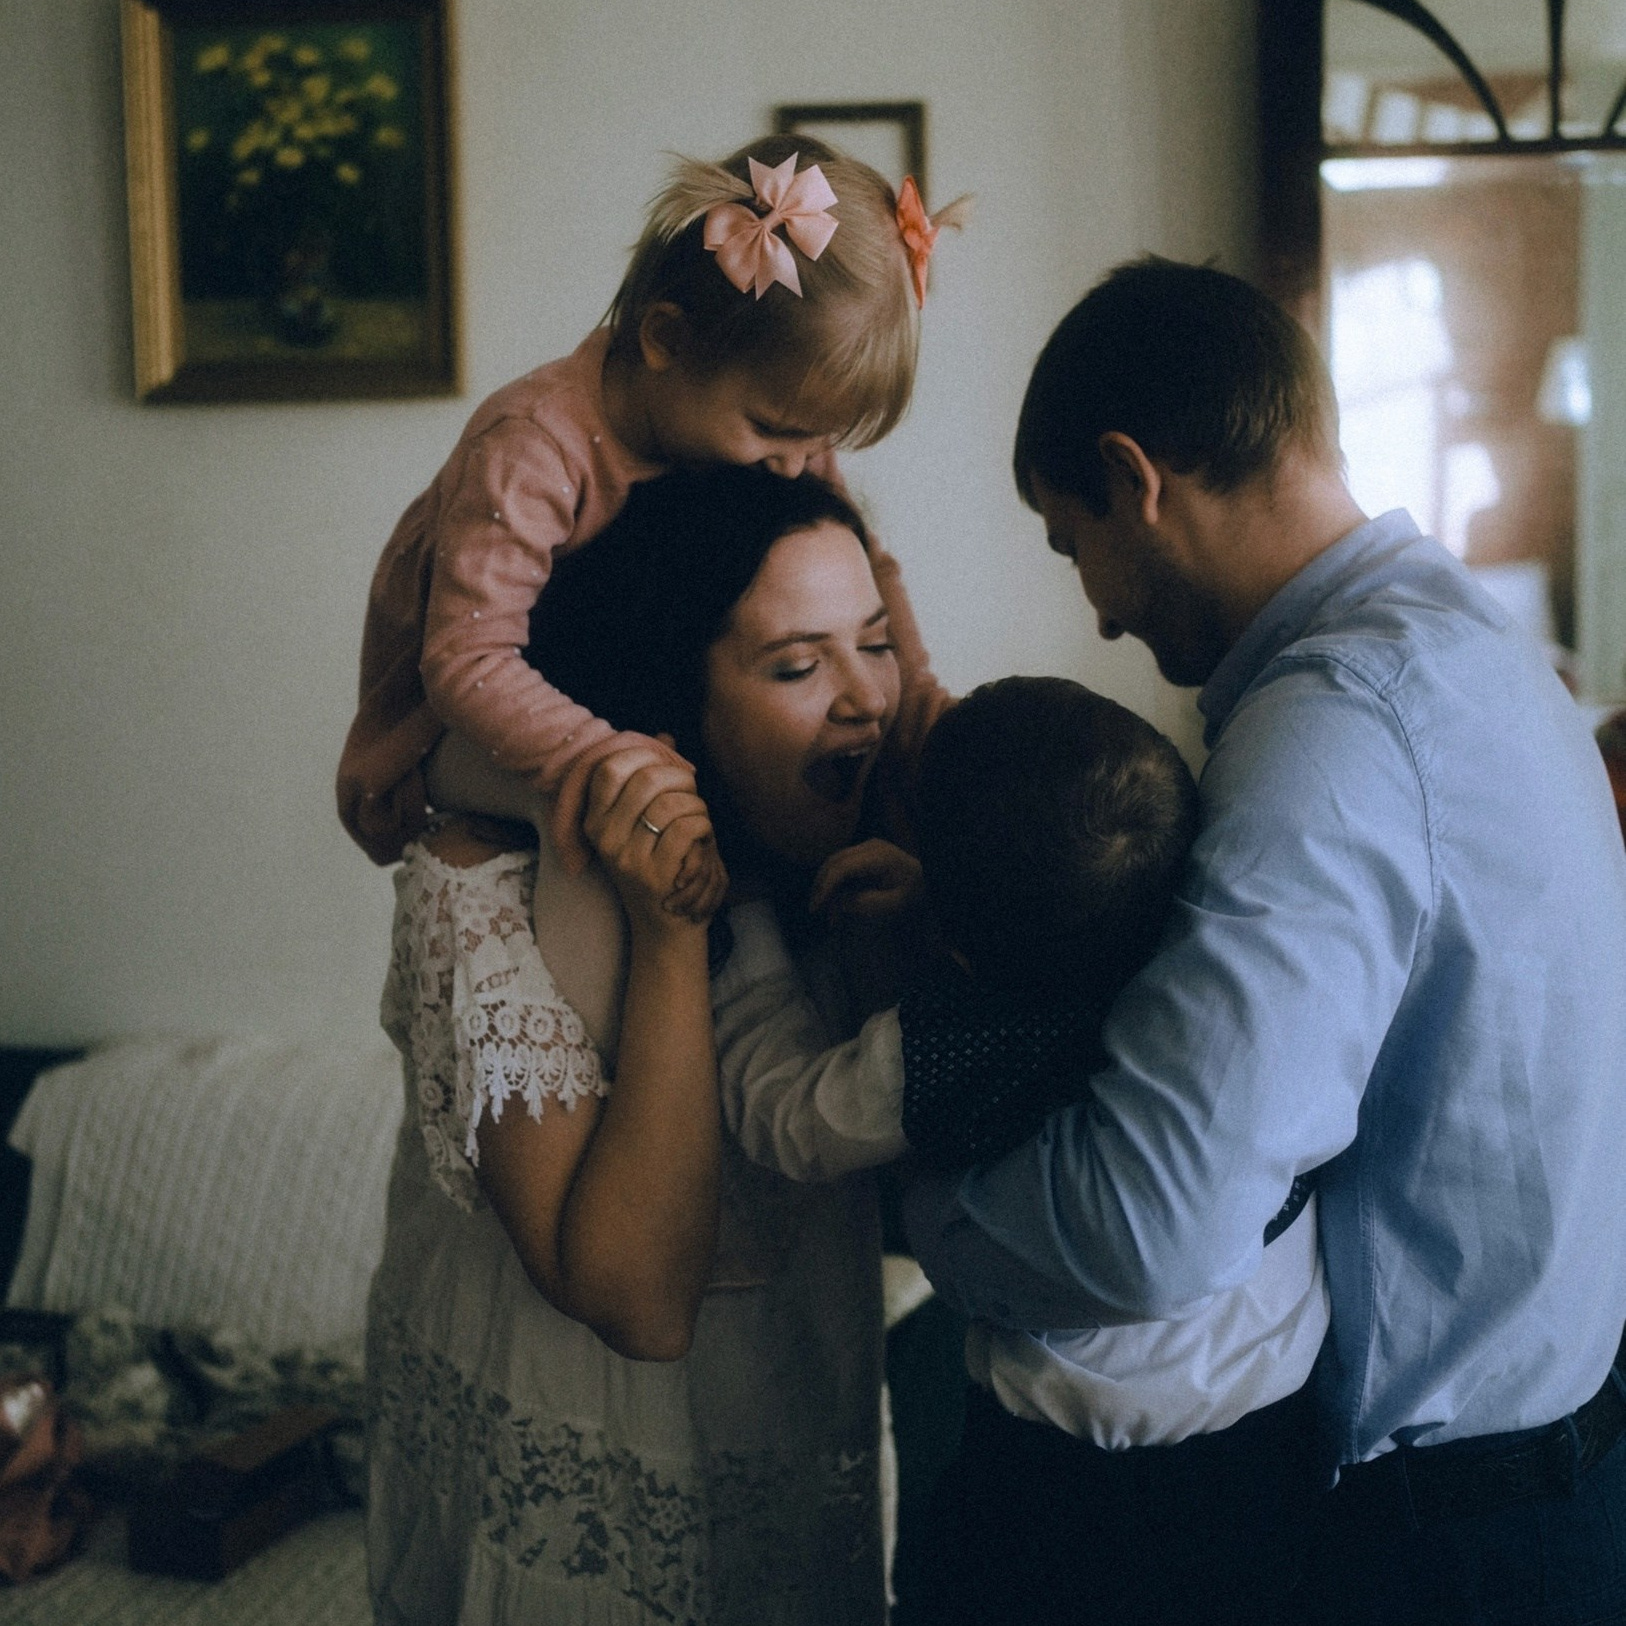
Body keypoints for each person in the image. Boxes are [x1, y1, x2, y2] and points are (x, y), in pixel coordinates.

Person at [898, 256, 1626, 1625]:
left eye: (1074, 543)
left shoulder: (1329, 736)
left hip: (1440, 1545)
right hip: (1548, 1475)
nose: (1099, 609)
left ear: (1134, 477)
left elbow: (1146, 1220)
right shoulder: (1471, 646)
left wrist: (920, 1207)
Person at [365, 464, 904, 1625]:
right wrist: (669, 934)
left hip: (786, 1469)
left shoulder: (859, 873)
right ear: (671, 700)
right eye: (799, 665)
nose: (868, 699)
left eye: (877, 643)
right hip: (575, 1509)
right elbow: (640, 1305)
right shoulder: (486, 892)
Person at [709, 674, 1328, 1624]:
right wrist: (936, 896)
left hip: (1065, 1489)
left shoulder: (938, 1047)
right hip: (1274, 1448)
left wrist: (747, 927)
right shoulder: (1206, 962)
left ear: (955, 937)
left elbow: (784, 1115)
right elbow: (1052, 919)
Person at [336, 132, 959, 886]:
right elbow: (465, 663)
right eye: (773, 432)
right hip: (438, 730)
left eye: (819, 440)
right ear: (666, 339)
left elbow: (871, 562)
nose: (801, 465)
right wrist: (603, 757)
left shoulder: (779, 428)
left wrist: (921, 700)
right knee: (619, 811)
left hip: (584, 689)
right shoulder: (533, 447)